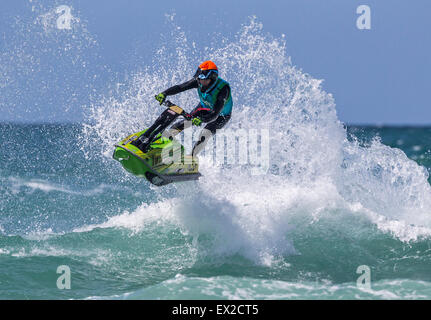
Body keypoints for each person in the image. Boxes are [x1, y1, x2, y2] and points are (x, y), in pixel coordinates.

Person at [155, 60, 233, 157]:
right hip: (204, 108)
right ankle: (162, 145)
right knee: (183, 123)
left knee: (204, 135)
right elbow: (180, 87)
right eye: (199, 79)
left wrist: (202, 120)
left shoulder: (223, 89)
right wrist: (164, 93)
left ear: (212, 79)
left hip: (221, 116)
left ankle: (191, 158)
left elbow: (215, 113)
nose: (201, 82)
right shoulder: (198, 81)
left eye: (204, 80)